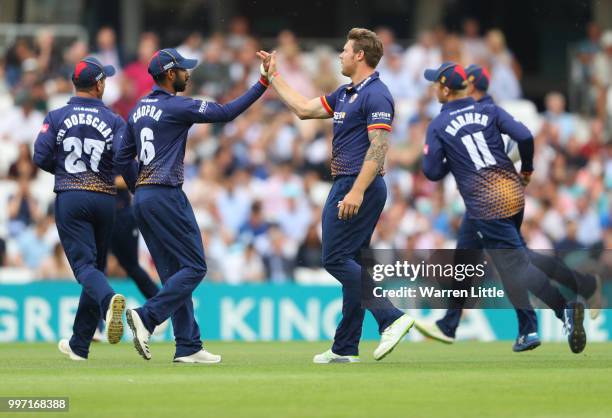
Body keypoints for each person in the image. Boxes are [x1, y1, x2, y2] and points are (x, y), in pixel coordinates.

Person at [257, 28, 414, 364]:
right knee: (352, 263)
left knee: (333, 259)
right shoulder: (346, 93)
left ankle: (391, 317)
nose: (340, 55)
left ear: (359, 55)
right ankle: (345, 346)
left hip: (358, 185)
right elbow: (302, 109)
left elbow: (380, 146)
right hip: (351, 183)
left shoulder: (377, 94)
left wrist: (357, 190)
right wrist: (274, 77)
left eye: (344, 50)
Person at [420, 62, 597, 354]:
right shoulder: (487, 110)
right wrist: (527, 170)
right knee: (472, 256)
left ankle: (564, 308)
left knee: (515, 266)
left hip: (485, 204)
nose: (433, 89)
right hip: (513, 192)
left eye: (435, 84)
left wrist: (452, 159)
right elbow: (525, 136)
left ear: (445, 88)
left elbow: (431, 172)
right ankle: (451, 324)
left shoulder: (439, 124)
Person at [114, 48, 270, 363]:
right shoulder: (177, 105)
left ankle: (187, 345)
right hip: (166, 194)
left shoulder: (139, 108)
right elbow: (225, 113)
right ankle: (147, 317)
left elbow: (121, 157)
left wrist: (138, 187)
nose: (189, 74)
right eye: (184, 70)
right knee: (196, 266)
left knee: (174, 273)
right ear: (170, 75)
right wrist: (262, 84)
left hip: (143, 198)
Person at [33, 56, 137, 360]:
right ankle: (80, 344)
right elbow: (123, 161)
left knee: (85, 269)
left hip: (71, 196)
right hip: (106, 199)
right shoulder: (115, 119)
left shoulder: (55, 116)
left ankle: (108, 303)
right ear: (99, 84)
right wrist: (135, 190)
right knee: (96, 269)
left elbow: (40, 156)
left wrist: (67, 172)